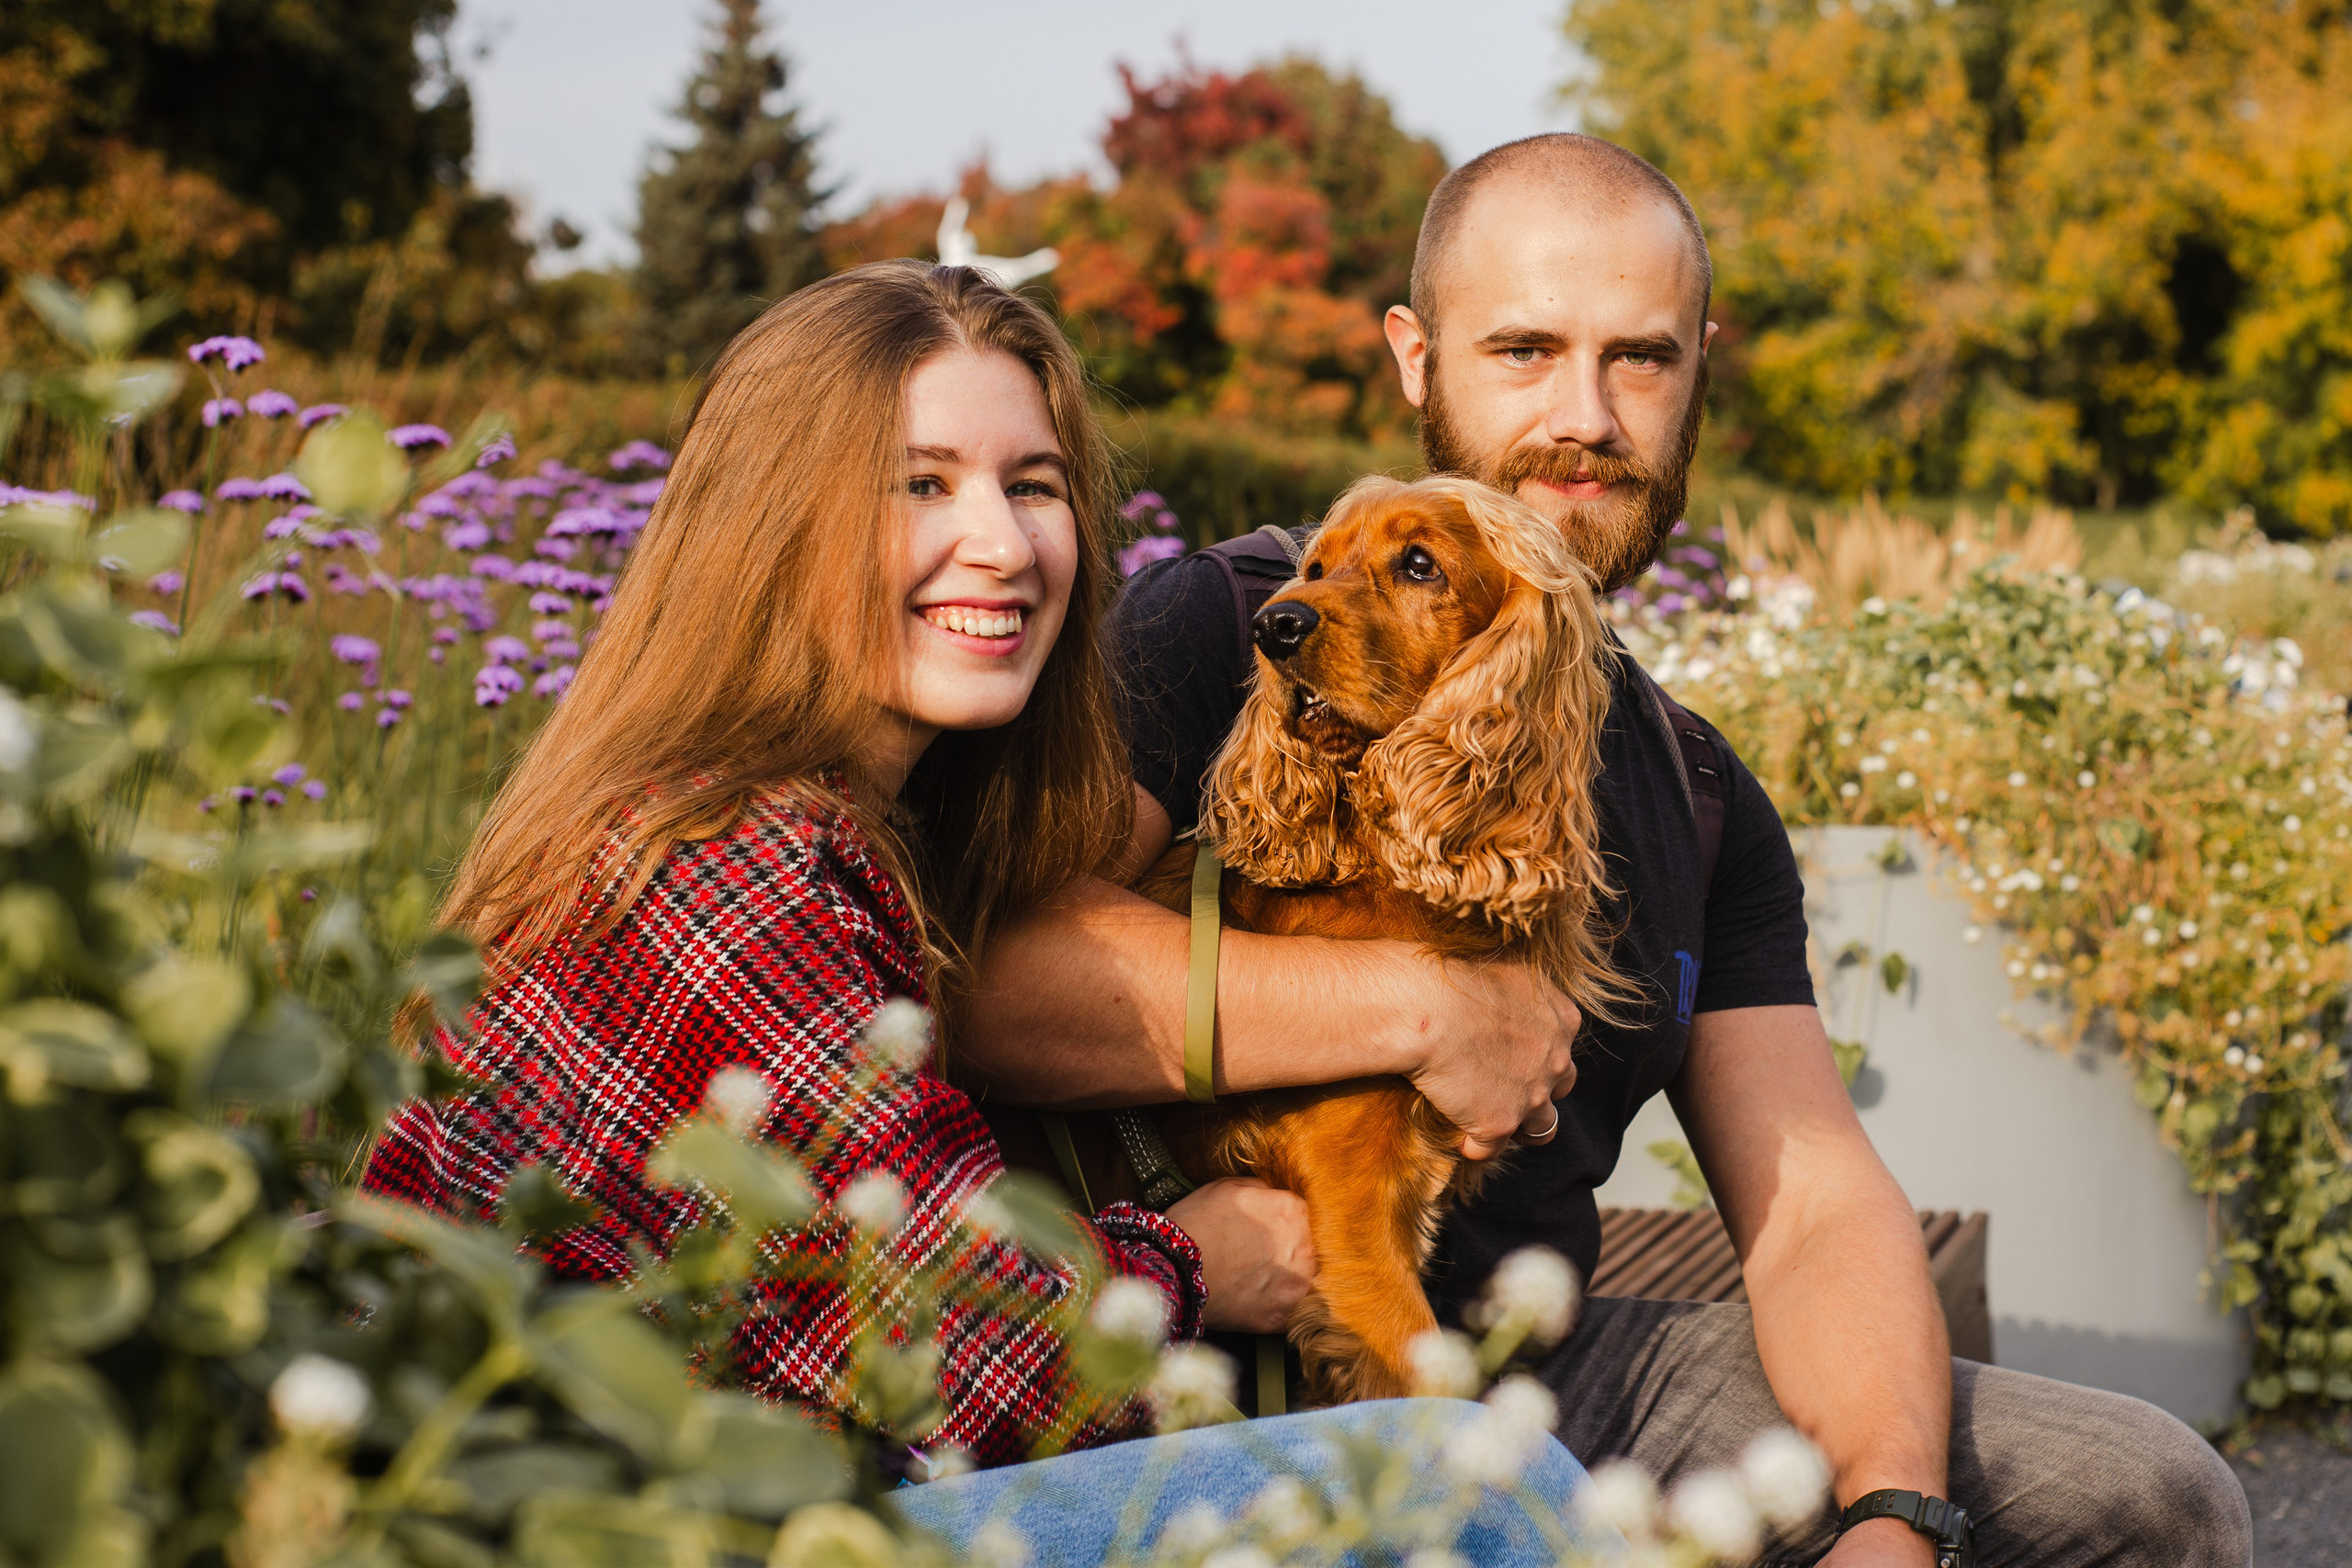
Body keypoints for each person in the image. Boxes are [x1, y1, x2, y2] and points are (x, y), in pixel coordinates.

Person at [956, 137, 2254, 1567]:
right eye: (1524, 348)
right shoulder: (1241, 627)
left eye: (1639, 359)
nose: (1586, 415)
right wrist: (1438, 1006)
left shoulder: (1695, 783)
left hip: (1557, 1379)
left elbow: (1814, 1201)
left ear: (1701, 368)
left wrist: (1895, 1514)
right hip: (1217, 1385)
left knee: (2149, 1499)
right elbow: (992, 981)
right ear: (1417, 357)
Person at [360, 260, 1597, 1565]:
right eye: (921, 484)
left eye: (1034, 486)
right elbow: (966, 1372)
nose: (1000, 544)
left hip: (708, 1502)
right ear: (774, 522)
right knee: (1471, 1486)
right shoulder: (736, 859)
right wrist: (1188, 1260)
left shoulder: (819, 828)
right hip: (604, 1534)